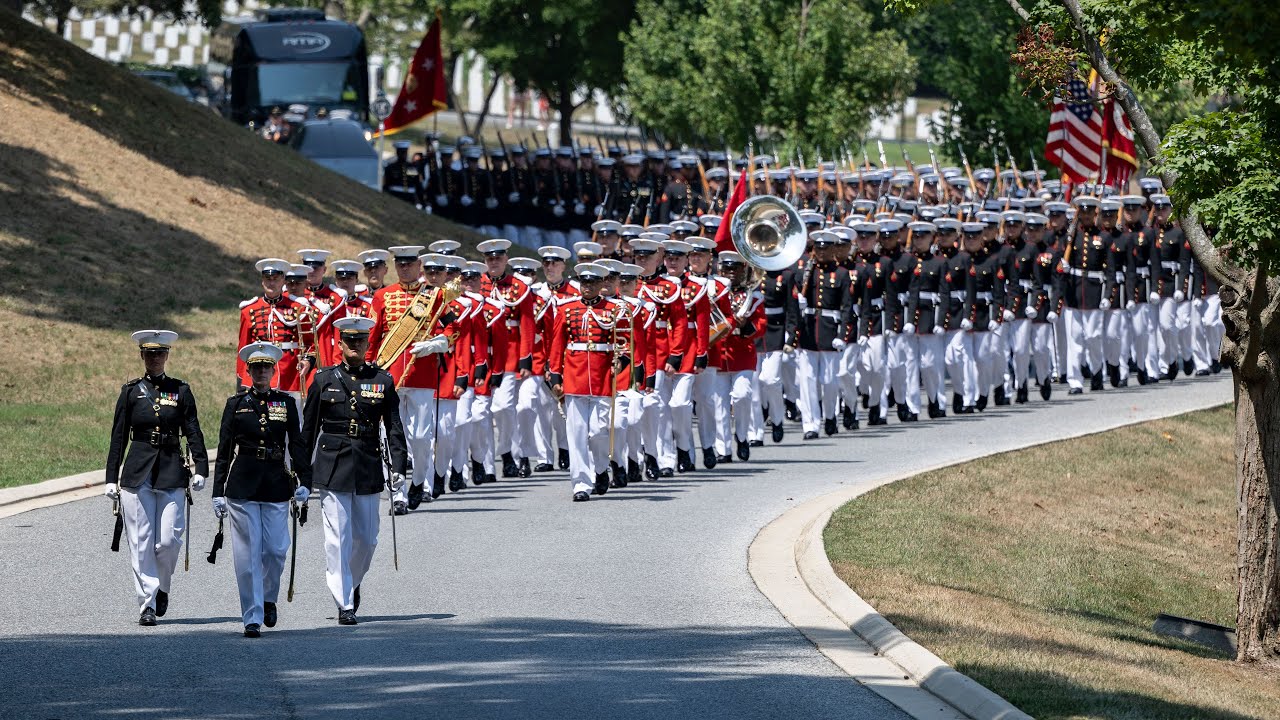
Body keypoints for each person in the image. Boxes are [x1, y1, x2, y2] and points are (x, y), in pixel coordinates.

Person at [302, 316, 409, 625]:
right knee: (337, 537)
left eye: (360, 341)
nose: (355, 346)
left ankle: (352, 579)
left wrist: (399, 465)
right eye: (350, 341)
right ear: (340, 344)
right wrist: (302, 474)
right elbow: (308, 431)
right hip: (332, 463)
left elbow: (394, 427)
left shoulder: (383, 380)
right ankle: (344, 600)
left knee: (367, 538)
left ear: (367, 344)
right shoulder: (323, 380)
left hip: (367, 463)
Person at [105, 330, 209, 626]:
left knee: (169, 541)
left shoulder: (180, 390)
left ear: (167, 356)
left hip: (171, 470)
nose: (155, 358)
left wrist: (201, 467)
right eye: (149, 353)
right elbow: (118, 437)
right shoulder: (130, 391)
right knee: (141, 541)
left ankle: (163, 585)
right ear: (142, 356)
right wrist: (111, 477)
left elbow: (192, 430)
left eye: (160, 353)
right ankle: (147, 603)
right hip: (137, 471)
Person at [212, 342, 312, 638]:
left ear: (274, 371)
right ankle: (252, 616)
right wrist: (218, 490)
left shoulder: (286, 403)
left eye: (265, 368)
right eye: (255, 369)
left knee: (276, 550)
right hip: (243, 482)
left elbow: (297, 444)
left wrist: (306, 481)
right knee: (247, 554)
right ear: (248, 372)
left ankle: (269, 597)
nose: (261, 373)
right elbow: (225, 447)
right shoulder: (236, 404)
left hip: (276, 482)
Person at [548, 263, 632, 501]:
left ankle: (600, 468)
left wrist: (621, 362)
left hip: (602, 376)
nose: (587, 287)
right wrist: (555, 374)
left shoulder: (614, 309)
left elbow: (625, 340)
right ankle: (581, 484)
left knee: (598, 432)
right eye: (584, 283)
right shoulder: (566, 309)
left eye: (592, 283)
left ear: (601, 284)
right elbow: (557, 343)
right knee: (576, 433)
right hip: (574, 377)